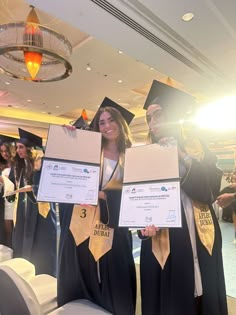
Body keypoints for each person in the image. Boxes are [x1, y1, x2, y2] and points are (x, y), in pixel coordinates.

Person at [139, 80, 227, 315]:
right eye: (149, 118)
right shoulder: (145, 154)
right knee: (173, 292)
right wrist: (142, 226)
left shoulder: (198, 148)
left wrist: (180, 154)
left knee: (203, 288)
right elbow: (138, 198)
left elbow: (209, 190)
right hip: (167, 232)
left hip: (200, 227)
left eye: (157, 116)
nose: (152, 122)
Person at [58, 97, 136, 315]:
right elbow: (67, 169)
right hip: (83, 221)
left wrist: (103, 195)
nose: (107, 126)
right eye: (101, 122)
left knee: (114, 274)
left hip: (114, 224)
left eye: (111, 120)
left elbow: (133, 195)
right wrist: (68, 139)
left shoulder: (131, 157)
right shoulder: (90, 150)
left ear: (121, 124)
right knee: (83, 270)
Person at [8, 128, 57, 276]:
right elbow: (13, 186)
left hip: (42, 212)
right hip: (24, 210)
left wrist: (36, 171)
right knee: (22, 241)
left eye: (21, 147)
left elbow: (48, 187)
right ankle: (23, 273)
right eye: (17, 147)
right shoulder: (20, 166)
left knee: (41, 244)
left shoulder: (43, 164)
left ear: (31, 148)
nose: (18, 151)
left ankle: (45, 274)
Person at [0, 135, 16, 247]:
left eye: (6, 151)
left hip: (13, 202)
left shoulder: (17, 166)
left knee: (10, 228)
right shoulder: (4, 167)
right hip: (5, 201)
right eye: (2, 151)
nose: (4, 154)